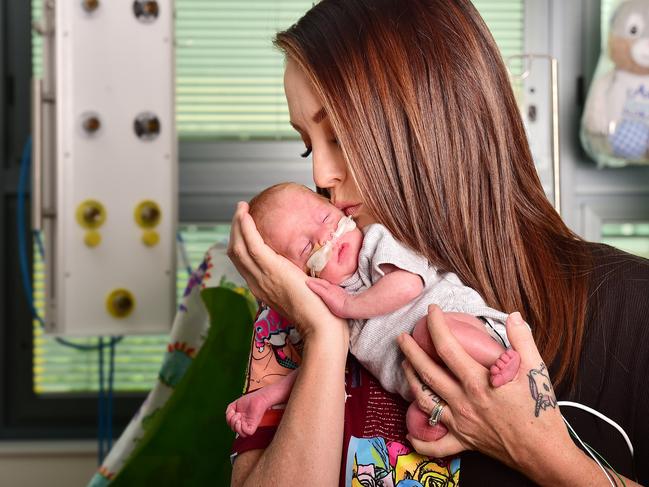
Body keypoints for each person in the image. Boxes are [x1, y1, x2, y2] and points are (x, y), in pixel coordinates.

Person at [228, 0, 649, 485]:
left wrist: (534, 446)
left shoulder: (631, 306)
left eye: (340, 137)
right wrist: (325, 338)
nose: (320, 175)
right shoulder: (298, 306)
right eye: (308, 144)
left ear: (431, 124)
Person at [226, 182, 520, 442]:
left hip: (467, 329)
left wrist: (350, 305)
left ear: (341, 212)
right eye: (305, 247)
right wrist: (267, 396)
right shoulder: (333, 308)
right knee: (417, 428)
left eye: (324, 218)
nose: (323, 237)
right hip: (439, 384)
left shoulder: (374, 243)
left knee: (427, 331)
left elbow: (408, 285)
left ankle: (500, 359)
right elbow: (321, 369)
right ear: (300, 276)